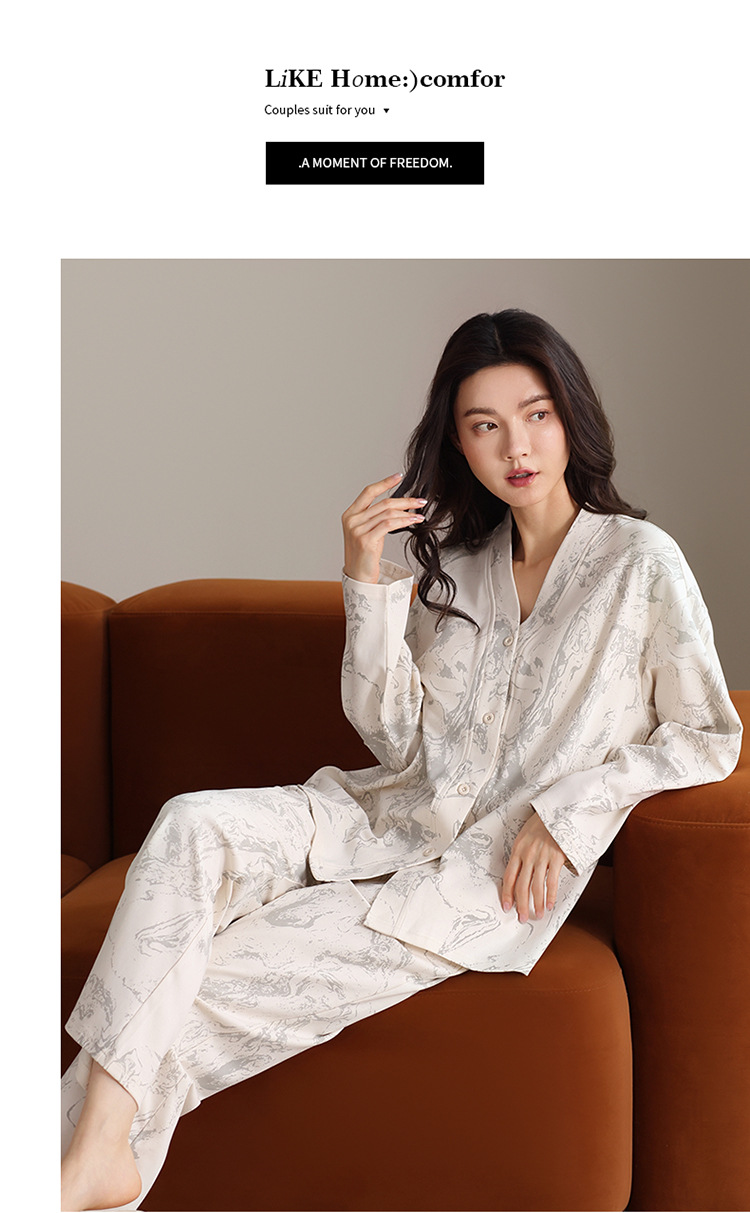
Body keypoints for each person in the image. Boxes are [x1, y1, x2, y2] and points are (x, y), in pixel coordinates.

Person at [60, 309, 742, 1211]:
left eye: (536, 415)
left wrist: (569, 810)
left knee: (206, 977)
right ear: (458, 443)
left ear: (571, 415)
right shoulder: (456, 566)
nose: (517, 446)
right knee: (189, 820)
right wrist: (365, 572)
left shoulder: (640, 564)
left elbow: (707, 732)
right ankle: (87, 1167)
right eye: (485, 425)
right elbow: (393, 735)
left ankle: (70, 1173)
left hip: (474, 879)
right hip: (377, 814)